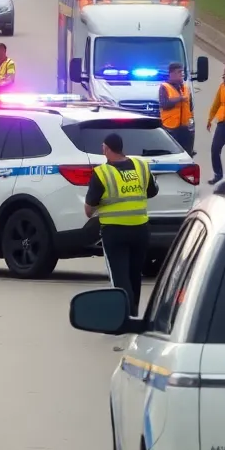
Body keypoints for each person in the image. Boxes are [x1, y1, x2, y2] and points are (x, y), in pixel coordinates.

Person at [84, 132, 159, 314]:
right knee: (135, 275)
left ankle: (124, 317)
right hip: (140, 230)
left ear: (107, 149)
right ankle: (133, 314)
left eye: (103, 147)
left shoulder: (102, 173)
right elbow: (152, 191)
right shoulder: (141, 166)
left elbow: (88, 209)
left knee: (120, 276)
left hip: (114, 232)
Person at [158, 62, 194, 155]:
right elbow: (164, 104)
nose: (182, 74)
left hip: (185, 127)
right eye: (179, 72)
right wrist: (179, 99)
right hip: (170, 127)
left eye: (182, 71)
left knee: (187, 153)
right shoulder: (164, 87)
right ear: (172, 74)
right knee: (171, 153)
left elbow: (190, 107)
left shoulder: (185, 88)